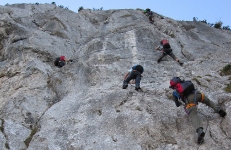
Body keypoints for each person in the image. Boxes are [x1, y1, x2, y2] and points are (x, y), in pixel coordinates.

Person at [169, 77, 227, 144]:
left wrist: (180, 101)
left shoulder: (175, 92)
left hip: (190, 100)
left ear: (173, 86)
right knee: (208, 102)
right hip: (198, 94)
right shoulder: (186, 83)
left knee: (193, 115)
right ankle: (219, 110)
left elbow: (177, 104)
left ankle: (200, 131)